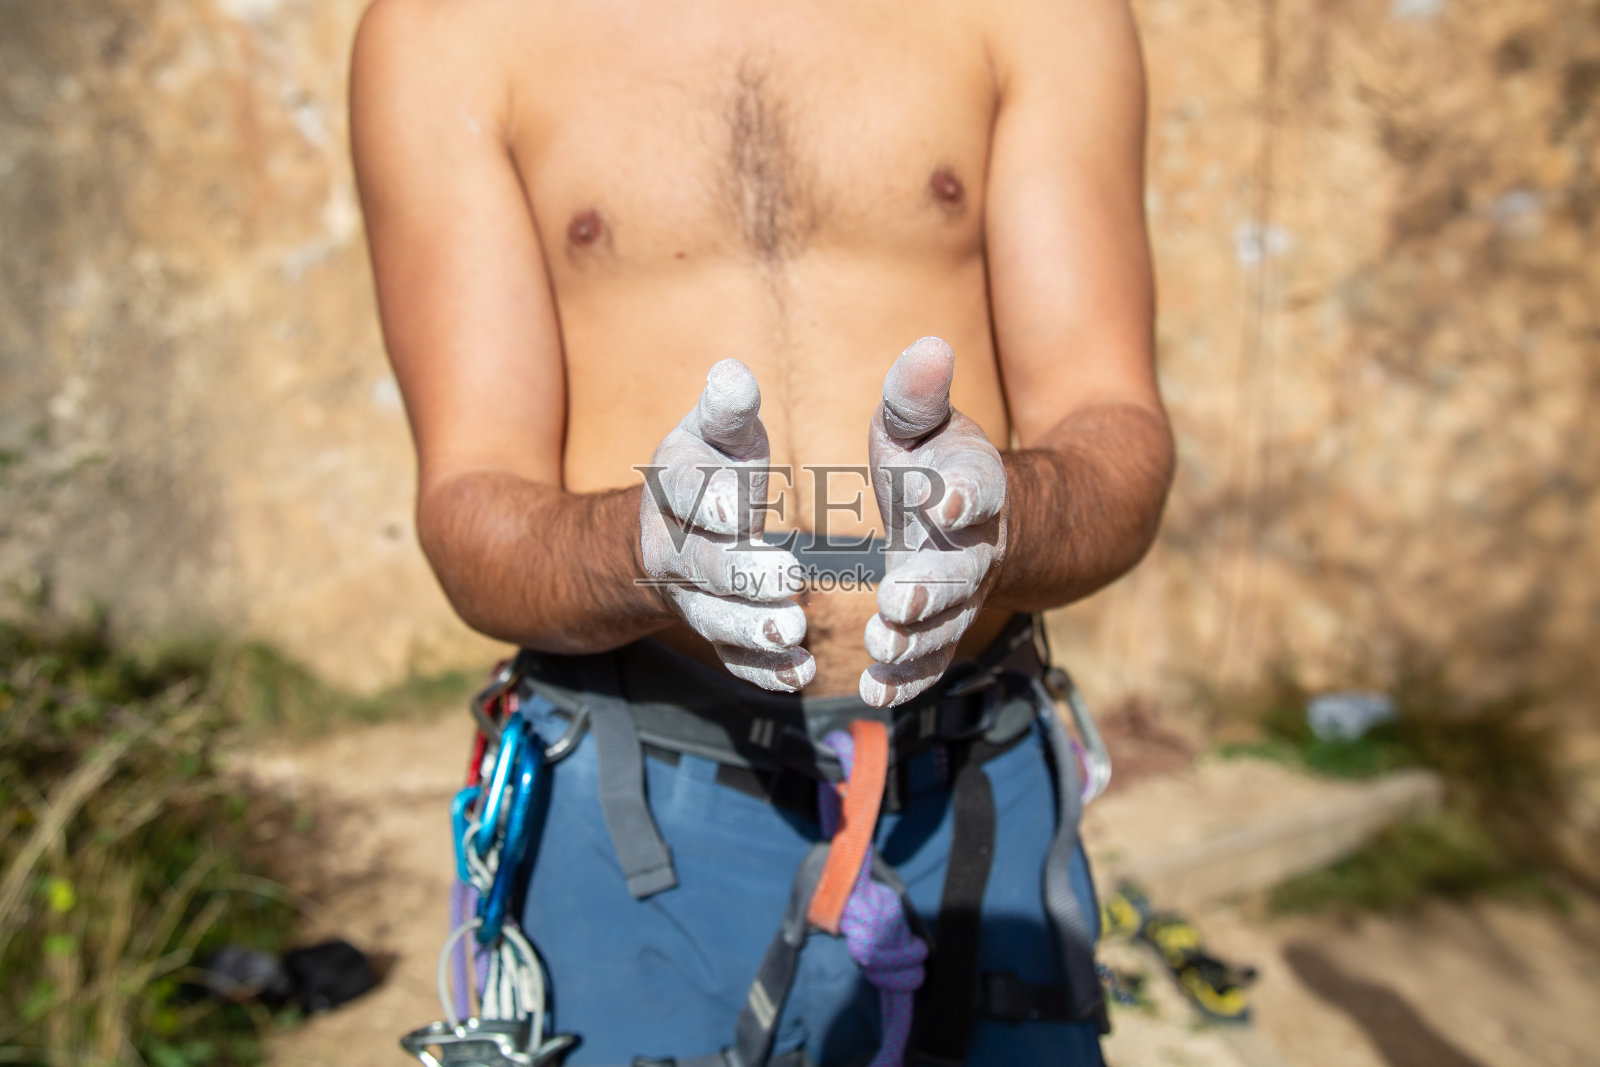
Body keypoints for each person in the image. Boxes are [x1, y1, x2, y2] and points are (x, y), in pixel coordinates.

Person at [350, 0, 1173, 1061]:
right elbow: (472, 505)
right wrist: (648, 549)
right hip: (640, 801)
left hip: (969, 785)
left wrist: (1002, 517)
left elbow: (1112, 429)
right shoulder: (445, 31)